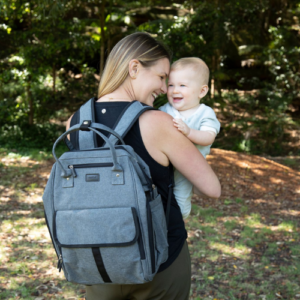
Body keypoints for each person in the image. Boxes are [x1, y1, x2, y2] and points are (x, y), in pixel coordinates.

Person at [66, 32, 221, 300]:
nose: (164, 89)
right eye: (162, 77)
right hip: (160, 264)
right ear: (135, 68)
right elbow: (212, 188)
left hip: (99, 261)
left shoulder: (76, 122)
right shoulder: (157, 122)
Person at [159, 57, 220, 219]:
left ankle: (176, 223)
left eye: (182, 85)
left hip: (189, 168)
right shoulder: (164, 110)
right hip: (164, 164)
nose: (175, 90)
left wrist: (189, 132)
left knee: (180, 200)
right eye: (171, 85)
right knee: (158, 196)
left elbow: (208, 137)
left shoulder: (204, 113)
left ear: (202, 91)